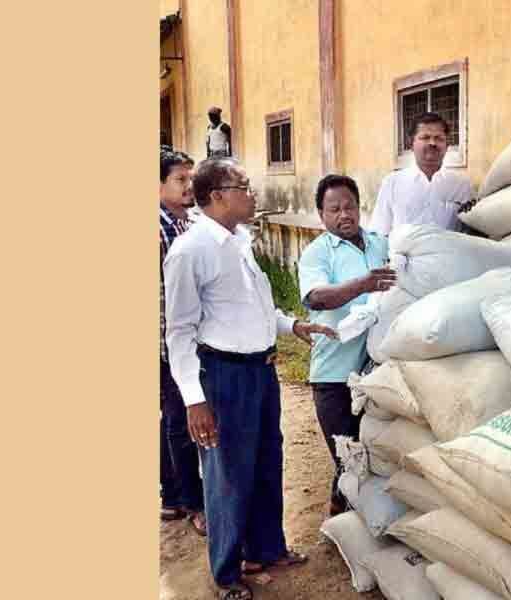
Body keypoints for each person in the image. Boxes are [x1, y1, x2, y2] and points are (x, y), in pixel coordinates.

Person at [164, 157, 335, 600]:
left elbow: (252, 305)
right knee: (226, 475)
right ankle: (226, 571)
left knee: (265, 463)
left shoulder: (239, 240)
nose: (252, 192)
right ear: (217, 196)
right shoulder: (190, 251)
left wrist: (291, 326)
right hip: (222, 377)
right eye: (243, 186)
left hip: (261, 371)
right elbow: (179, 331)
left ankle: (266, 548)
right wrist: (194, 400)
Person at [297, 174, 397, 516]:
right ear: (321, 215)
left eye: (350, 206)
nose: (344, 214)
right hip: (334, 375)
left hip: (376, 370)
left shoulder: (379, 243)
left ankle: (363, 518)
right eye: (334, 209)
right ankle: (340, 519)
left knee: (373, 452)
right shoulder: (316, 253)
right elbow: (316, 298)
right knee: (347, 455)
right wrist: (363, 285)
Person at [159, 148, 207, 536]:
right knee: (181, 420)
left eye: (191, 178)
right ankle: (192, 501)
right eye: (180, 179)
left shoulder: (186, 221)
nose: (189, 186)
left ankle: (172, 497)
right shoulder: (156, 227)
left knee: (172, 419)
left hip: (189, 338)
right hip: (167, 341)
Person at [369, 112, 472, 235]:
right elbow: (379, 232)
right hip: (404, 254)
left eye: (439, 138)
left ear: (447, 145)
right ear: (411, 144)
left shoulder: (461, 185)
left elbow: (470, 230)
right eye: (425, 137)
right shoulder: (392, 182)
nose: (432, 143)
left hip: (448, 253)